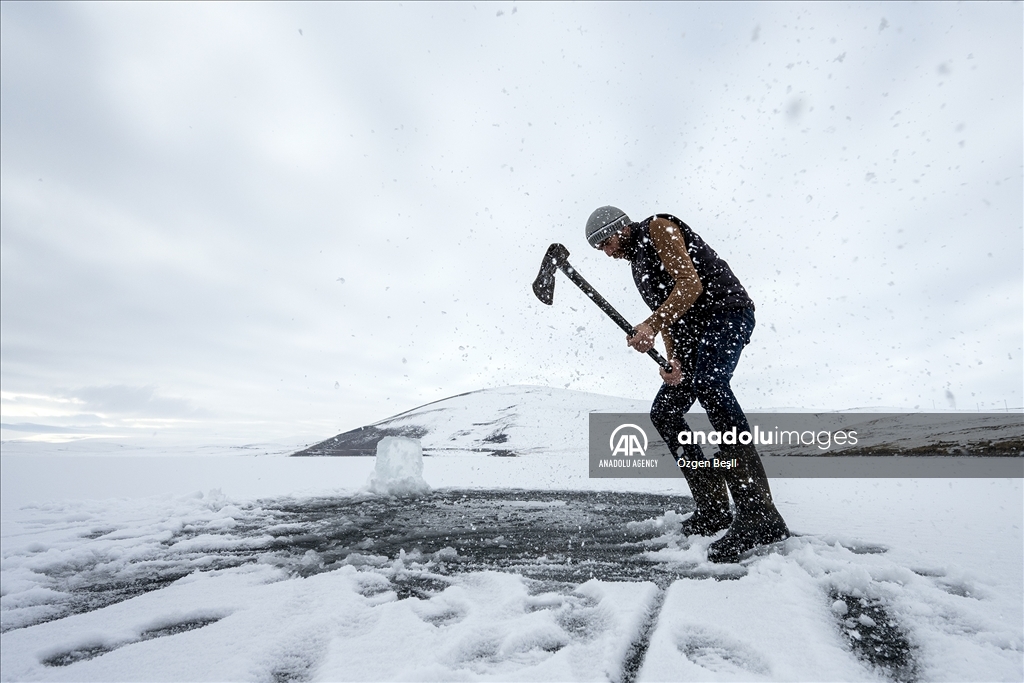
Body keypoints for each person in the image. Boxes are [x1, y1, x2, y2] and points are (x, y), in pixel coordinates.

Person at [585, 206, 789, 563]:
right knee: (665, 411)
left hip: (726, 313)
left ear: (620, 228)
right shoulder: (638, 265)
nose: (606, 252)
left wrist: (649, 325)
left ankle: (759, 513)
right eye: (600, 248)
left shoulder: (659, 228)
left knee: (711, 384)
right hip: (693, 334)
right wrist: (674, 360)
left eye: (606, 242)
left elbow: (690, 285)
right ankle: (713, 509)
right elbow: (671, 317)